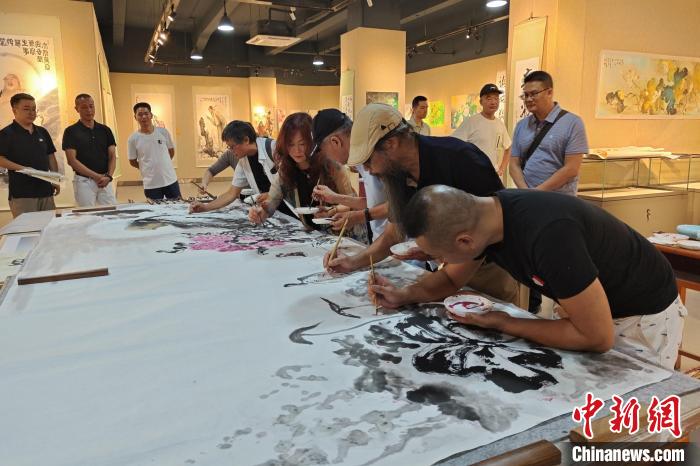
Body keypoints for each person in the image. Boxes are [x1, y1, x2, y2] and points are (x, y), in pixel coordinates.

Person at [371, 185, 686, 370]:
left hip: (641, 315)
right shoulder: (486, 218)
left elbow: (597, 337)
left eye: (437, 256)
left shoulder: (548, 237)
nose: (438, 262)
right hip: (592, 311)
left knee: (631, 433)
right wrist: (404, 295)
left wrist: (504, 322)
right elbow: (450, 281)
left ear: (464, 241)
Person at [325, 103, 518, 304]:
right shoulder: (399, 175)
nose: (369, 170)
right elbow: (393, 234)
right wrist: (351, 262)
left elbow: (459, 268)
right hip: (447, 272)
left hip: (488, 270)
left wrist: (405, 294)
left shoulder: (460, 159)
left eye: (368, 161)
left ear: (391, 144)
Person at [508, 70, 589, 313]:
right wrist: (526, 193)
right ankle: (531, 308)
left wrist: (537, 193)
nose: (529, 99)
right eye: (525, 95)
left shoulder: (572, 123)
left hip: (559, 206)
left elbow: (571, 168)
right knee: (528, 257)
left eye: (534, 94)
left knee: (559, 259)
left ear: (550, 92)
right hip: (528, 203)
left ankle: (565, 312)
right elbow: (514, 164)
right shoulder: (522, 126)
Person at [248, 112, 357, 232]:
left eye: (302, 144)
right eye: (291, 145)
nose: (297, 151)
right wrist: (261, 212)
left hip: (341, 234)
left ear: (312, 142)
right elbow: (272, 200)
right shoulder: (286, 168)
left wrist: (332, 211)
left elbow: (351, 202)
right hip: (313, 234)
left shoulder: (331, 165)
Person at [308, 109, 389, 240]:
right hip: (383, 241)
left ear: (335, 142)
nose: (327, 157)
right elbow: (375, 203)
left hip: (402, 246)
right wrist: (335, 198)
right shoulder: (359, 160)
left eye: (324, 151)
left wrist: (358, 216)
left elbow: (398, 206)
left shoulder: (376, 155)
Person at [189, 120, 277, 214]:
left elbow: (288, 182)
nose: (231, 151)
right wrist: (205, 207)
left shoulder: (273, 148)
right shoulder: (243, 161)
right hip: (273, 210)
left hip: (287, 207)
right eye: (229, 147)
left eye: (232, 147)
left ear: (246, 140)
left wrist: (272, 194)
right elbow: (231, 193)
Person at [0, 93, 60, 217]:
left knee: (49, 225)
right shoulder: (6, 134)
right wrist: (24, 169)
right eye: (26, 109)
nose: (31, 113)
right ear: (14, 110)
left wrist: (55, 179)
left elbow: (50, 156)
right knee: (28, 228)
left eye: (34, 109)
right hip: (22, 194)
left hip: (45, 191)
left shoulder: (42, 132)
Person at [62, 94, 117, 207]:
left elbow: (112, 156)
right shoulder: (71, 131)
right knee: (86, 214)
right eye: (84, 107)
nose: (89, 110)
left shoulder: (105, 130)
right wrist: (96, 176)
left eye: (91, 106)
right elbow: (71, 160)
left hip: (105, 180)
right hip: (84, 181)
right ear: (77, 109)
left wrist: (109, 176)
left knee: (112, 211)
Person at [452, 83, 511, 177]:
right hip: (473, 174)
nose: (493, 102)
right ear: (481, 102)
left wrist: (502, 169)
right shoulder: (471, 122)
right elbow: (453, 144)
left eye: (496, 98)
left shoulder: (500, 124)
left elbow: (508, 148)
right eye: (489, 98)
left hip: (493, 174)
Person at [127, 102, 180, 201]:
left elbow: (171, 151)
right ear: (135, 117)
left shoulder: (163, 132)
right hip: (151, 184)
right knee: (155, 209)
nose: (143, 117)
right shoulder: (133, 139)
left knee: (178, 206)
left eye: (146, 113)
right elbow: (132, 161)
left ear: (151, 115)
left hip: (170, 180)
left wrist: (163, 163)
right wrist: (146, 167)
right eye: (140, 114)